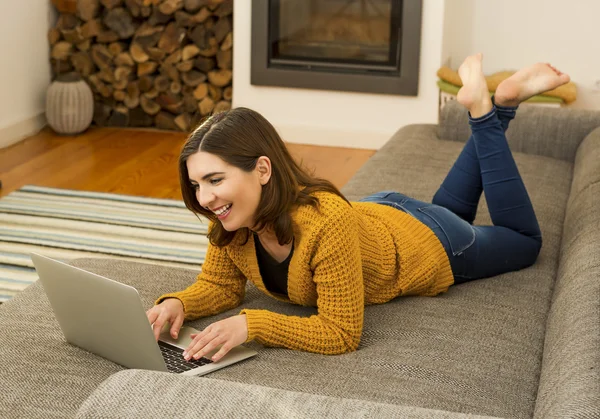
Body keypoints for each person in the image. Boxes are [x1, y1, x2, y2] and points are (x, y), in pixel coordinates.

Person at [146, 53, 570, 362]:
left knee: (525, 242)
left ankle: (487, 110)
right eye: (197, 184)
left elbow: (341, 332)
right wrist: (179, 304)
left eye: (216, 181)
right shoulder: (229, 220)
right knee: (448, 209)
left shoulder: (325, 223)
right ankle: (502, 102)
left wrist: (252, 324)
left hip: (430, 243)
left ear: (261, 169)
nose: (205, 199)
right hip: (384, 216)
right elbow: (220, 286)